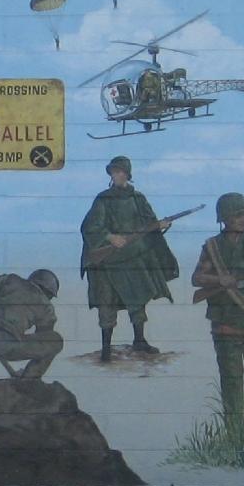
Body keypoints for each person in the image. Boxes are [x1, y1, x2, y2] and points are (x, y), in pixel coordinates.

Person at [79, 154, 180, 361]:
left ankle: (139, 341)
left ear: (127, 175)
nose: (117, 175)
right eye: (114, 172)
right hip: (108, 260)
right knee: (106, 302)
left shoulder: (138, 198)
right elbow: (90, 226)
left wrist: (160, 225)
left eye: (121, 172)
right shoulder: (103, 199)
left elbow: (149, 221)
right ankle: (106, 349)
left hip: (133, 256)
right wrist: (110, 237)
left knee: (138, 298)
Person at [190, 191, 244, 422]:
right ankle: (235, 435)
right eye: (237, 215)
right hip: (224, 326)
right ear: (224, 218)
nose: (242, 220)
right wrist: (220, 281)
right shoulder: (212, 247)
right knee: (231, 383)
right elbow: (197, 279)